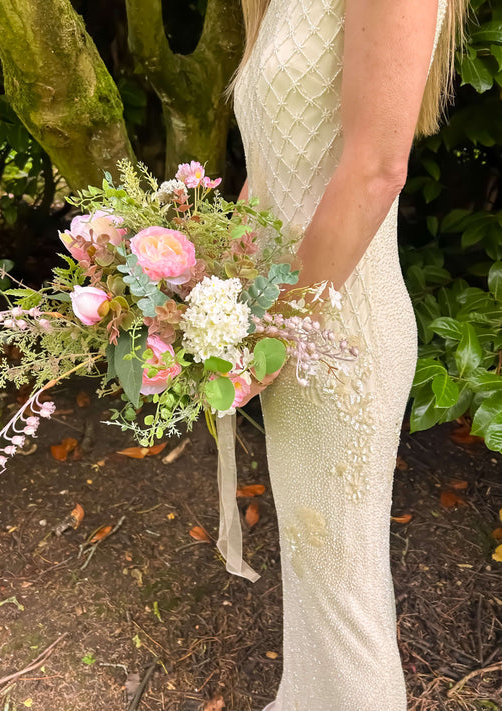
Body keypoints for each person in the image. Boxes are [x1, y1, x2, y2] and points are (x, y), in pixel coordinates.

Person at [228, 0, 468, 709]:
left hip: (336, 338)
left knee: (344, 602)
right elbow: (271, 172)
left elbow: (374, 171)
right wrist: (213, 293)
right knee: (316, 575)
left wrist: (276, 327)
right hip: (289, 319)